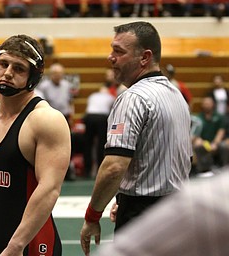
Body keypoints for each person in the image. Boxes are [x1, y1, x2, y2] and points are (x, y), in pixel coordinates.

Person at [80, 21, 192, 256]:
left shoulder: (132, 98)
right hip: (176, 210)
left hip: (142, 213)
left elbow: (114, 167)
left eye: (119, 51)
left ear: (145, 57)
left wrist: (93, 215)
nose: (110, 57)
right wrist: (123, 197)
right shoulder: (176, 95)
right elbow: (182, 159)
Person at [0, 34, 71, 256]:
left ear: (33, 77)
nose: (8, 72)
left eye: (19, 68)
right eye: (3, 64)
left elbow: (49, 190)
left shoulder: (46, 120)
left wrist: (16, 246)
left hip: (29, 243)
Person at [95, 167, 229, 256]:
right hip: (166, 193)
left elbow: (114, 167)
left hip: (146, 201)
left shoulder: (209, 203)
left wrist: (92, 216)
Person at [82, 81, 115, 178]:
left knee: (88, 143)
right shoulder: (110, 97)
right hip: (101, 118)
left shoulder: (93, 95)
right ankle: (100, 169)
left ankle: (87, 170)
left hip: (90, 117)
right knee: (101, 144)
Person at [192, 96, 225, 175]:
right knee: (198, 145)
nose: (207, 105)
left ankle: (224, 168)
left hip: (216, 142)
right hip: (203, 142)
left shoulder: (219, 116)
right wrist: (203, 142)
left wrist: (215, 143)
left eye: (208, 103)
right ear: (202, 105)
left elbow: (221, 131)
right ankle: (203, 169)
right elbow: (196, 133)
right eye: (205, 103)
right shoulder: (199, 118)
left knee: (224, 146)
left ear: (213, 104)